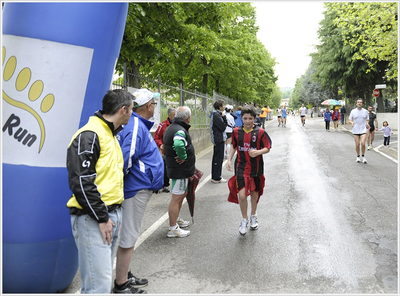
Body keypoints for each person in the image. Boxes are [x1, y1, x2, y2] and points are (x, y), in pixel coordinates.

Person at [66, 89, 134, 294]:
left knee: (100, 283)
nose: (132, 113)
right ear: (123, 110)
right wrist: (103, 218)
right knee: (98, 287)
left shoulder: (110, 134)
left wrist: (115, 217)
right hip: (94, 218)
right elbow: (82, 183)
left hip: (108, 216)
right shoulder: (90, 135)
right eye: (131, 108)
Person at [113, 88, 164, 294]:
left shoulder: (135, 123)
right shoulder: (135, 124)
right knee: (130, 235)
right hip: (136, 188)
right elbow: (127, 157)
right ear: (147, 106)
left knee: (130, 233)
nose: (154, 108)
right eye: (153, 104)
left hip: (137, 186)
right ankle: (121, 284)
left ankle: (123, 275)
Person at [226, 105, 272, 236]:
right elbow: (234, 146)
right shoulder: (236, 131)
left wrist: (258, 152)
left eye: (250, 118)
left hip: (256, 168)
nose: (247, 121)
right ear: (241, 118)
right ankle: (244, 219)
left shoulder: (260, 132)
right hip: (241, 166)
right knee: (241, 195)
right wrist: (229, 159)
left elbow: (268, 147)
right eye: (245, 118)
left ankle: (253, 215)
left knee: (254, 193)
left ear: (255, 118)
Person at [163, 106, 196, 238]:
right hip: (179, 170)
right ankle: (173, 228)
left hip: (178, 170)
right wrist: (183, 156)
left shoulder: (173, 127)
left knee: (181, 195)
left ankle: (175, 220)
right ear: (188, 117)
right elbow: (178, 144)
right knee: (176, 198)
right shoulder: (179, 130)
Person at [154, 108, 176, 192]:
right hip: (165, 151)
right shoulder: (162, 125)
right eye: (174, 115)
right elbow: (156, 137)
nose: (175, 117)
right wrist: (160, 145)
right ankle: (165, 184)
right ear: (169, 116)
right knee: (165, 167)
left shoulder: (177, 125)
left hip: (174, 149)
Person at [210, 99, 228, 183]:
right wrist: (224, 117)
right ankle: (217, 177)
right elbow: (223, 126)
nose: (224, 107)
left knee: (217, 158)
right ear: (220, 107)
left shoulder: (216, 114)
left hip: (218, 138)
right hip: (219, 139)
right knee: (218, 158)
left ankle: (215, 176)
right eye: (223, 105)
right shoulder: (217, 115)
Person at [348, 98, 370, 164]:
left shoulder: (365, 111)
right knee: (357, 144)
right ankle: (358, 156)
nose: (359, 103)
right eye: (358, 102)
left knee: (363, 143)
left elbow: (367, 119)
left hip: (363, 129)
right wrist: (351, 123)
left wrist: (367, 123)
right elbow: (349, 119)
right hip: (355, 129)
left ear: (362, 104)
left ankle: (363, 156)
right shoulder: (353, 111)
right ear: (356, 103)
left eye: (360, 102)